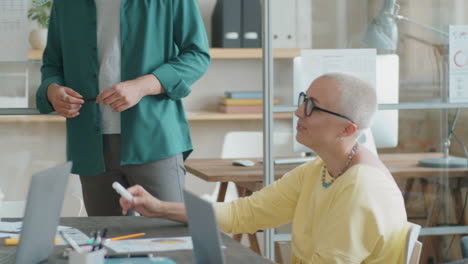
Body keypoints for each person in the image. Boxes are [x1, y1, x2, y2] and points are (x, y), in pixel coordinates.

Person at [119, 73, 409, 263]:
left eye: (313, 107)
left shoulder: (362, 188)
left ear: (347, 129)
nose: (298, 112)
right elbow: (243, 214)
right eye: (303, 100)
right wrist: (159, 207)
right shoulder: (320, 170)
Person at [35, 0, 210, 216]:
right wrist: (52, 91)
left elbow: (197, 55)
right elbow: (52, 64)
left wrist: (142, 86)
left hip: (154, 139)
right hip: (91, 145)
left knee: (169, 238)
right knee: (103, 242)